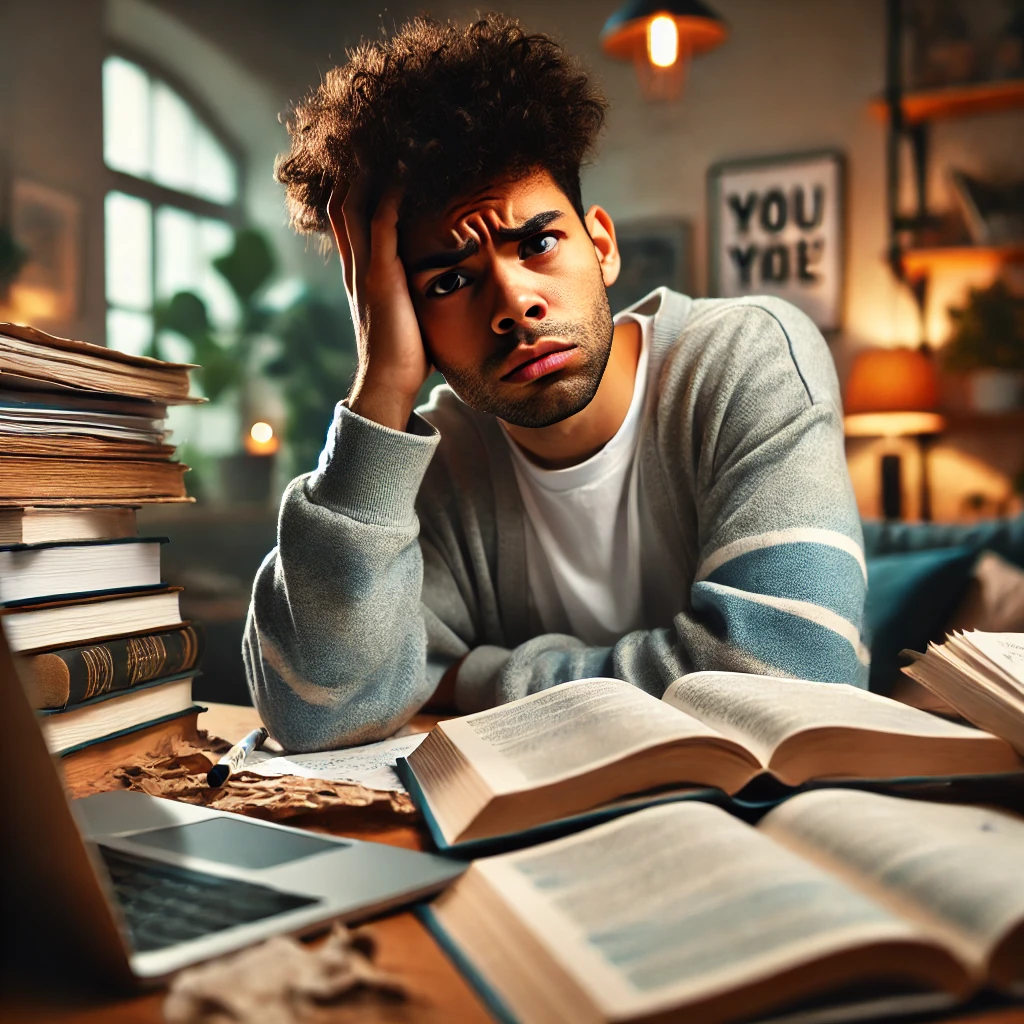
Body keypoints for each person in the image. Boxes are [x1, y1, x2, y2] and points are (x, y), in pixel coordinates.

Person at [244, 14, 868, 752]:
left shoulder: (745, 357)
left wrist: (473, 677)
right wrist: (380, 389)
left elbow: (795, 677)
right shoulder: (437, 465)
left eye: (537, 242)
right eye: (450, 280)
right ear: (405, 315)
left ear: (600, 245)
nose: (513, 304)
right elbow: (317, 711)